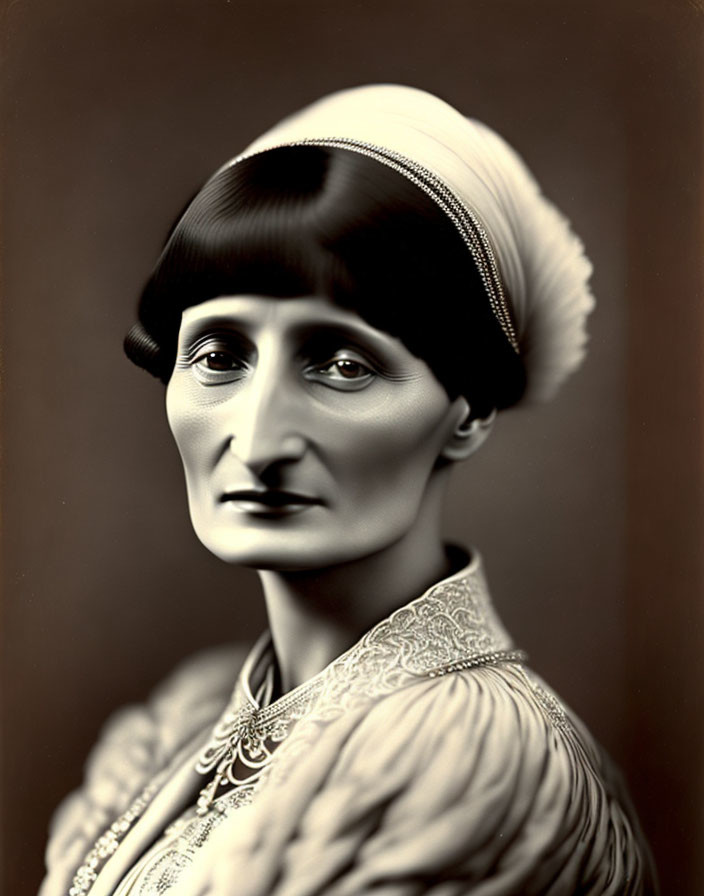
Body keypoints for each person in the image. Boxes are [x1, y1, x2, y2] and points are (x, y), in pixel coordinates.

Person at [40, 84, 657, 895]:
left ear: (467, 411)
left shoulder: (474, 760)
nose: (258, 442)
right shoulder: (182, 721)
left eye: (342, 365)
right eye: (220, 355)